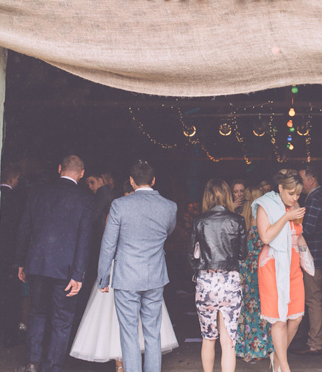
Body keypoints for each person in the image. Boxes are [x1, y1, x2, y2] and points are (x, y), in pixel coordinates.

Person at [72, 176, 179, 372]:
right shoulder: (169, 206)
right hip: (154, 275)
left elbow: (108, 244)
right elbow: (168, 231)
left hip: (126, 275)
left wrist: (103, 276)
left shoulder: (119, 206)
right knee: (152, 332)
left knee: (129, 333)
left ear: (131, 181)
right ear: (154, 180)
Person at [17, 152, 98, 372]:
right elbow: (84, 238)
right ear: (81, 174)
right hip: (66, 268)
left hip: (37, 264)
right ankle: (53, 366)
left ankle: (32, 362)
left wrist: (21, 262)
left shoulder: (39, 192)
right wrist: (79, 273)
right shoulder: (86, 199)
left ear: (59, 169)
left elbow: (25, 228)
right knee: (62, 320)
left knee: (37, 313)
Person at [253, 171, 309, 372]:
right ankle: (284, 367)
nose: (295, 198)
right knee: (278, 319)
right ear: (280, 188)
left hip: (293, 265)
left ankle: (277, 356)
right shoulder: (265, 205)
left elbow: (298, 234)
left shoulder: (294, 206)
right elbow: (266, 237)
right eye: (291, 193)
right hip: (273, 265)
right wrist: (286, 216)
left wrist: (305, 254)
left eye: (298, 195)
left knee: (295, 318)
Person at [190, 180, 246, 372]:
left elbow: (192, 256)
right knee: (228, 340)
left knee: (208, 338)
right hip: (230, 281)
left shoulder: (199, 222)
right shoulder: (237, 220)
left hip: (206, 282)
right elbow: (242, 254)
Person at [234, 185, 273, 365]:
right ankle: (260, 347)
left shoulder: (240, 219)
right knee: (260, 306)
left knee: (244, 308)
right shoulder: (262, 219)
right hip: (259, 268)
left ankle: (243, 347)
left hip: (243, 270)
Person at [296, 165, 322, 356]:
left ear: (312, 180)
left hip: (315, 257)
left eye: (301, 181)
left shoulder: (315, 199)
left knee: (314, 300)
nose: (299, 186)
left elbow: (306, 229)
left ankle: (315, 343)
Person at [0, 160, 26, 350]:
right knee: (9, 296)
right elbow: (19, 230)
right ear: (12, 178)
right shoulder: (16, 200)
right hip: (10, 255)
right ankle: (6, 335)